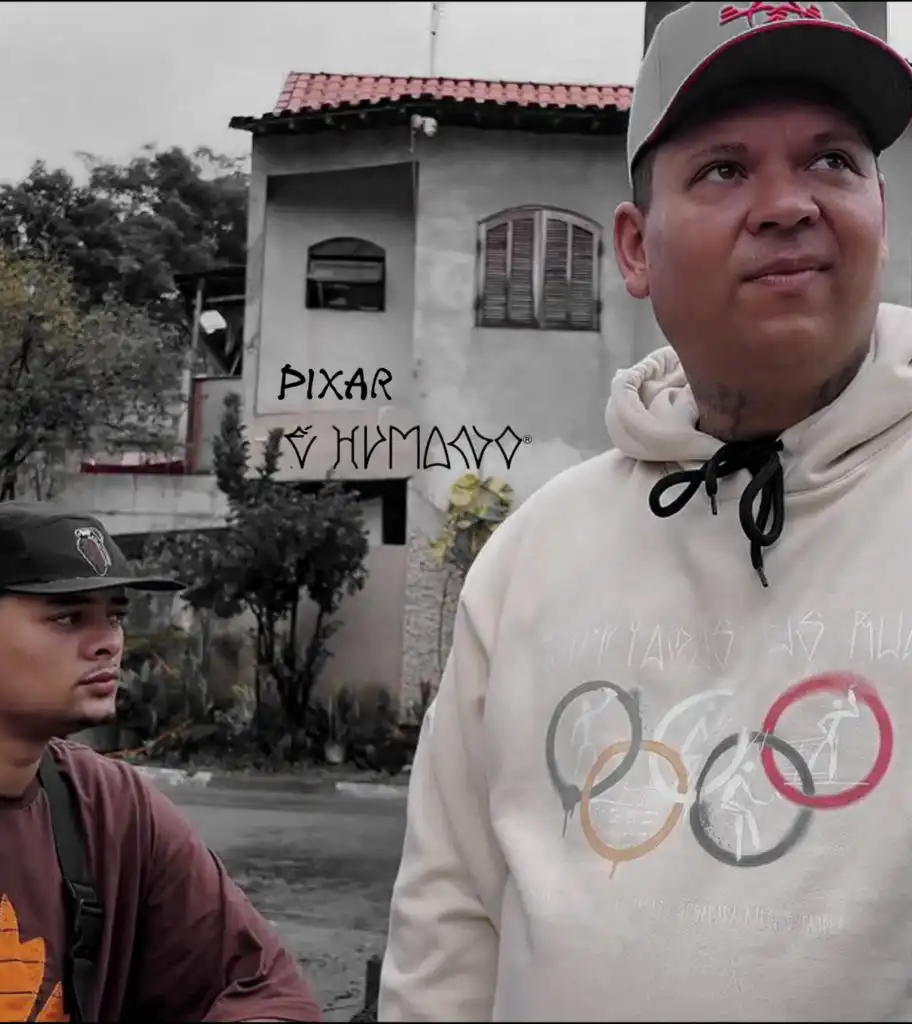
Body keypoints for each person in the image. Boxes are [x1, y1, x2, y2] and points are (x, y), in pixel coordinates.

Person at [378, 2, 912, 1021]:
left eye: (831, 161)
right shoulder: (534, 553)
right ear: (632, 248)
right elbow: (447, 931)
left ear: (880, 212)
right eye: (723, 169)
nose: (786, 205)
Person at [0, 500, 322, 1023]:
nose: (108, 644)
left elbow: (266, 991)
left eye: (114, 616)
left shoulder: (115, 811)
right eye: (68, 617)